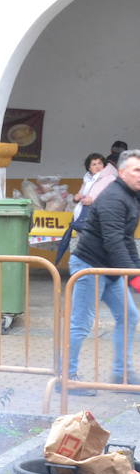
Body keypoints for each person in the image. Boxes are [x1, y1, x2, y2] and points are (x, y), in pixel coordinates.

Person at [66, 149, 140, 394]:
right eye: (136, 170)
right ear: (121, 172)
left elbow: (126, 238)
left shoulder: (131, 197)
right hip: (89, 266)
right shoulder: (113, 198)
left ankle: (121, 376)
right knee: (81, 323)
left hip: (109, 269)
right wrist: (134, 276)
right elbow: (113, 241)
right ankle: (67, 378)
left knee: (129, 316)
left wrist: (136, 269)